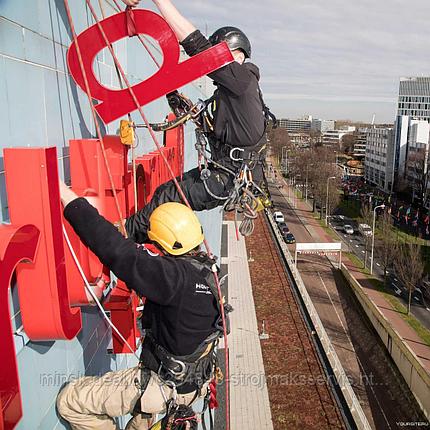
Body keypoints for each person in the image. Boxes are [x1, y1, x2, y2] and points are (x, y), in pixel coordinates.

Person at [56, 181, 229, 430]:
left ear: (162, 244)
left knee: (71, 401)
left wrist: (68, 198)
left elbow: (116, 250)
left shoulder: (172, 279)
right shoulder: (208, 272)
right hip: (189, 388)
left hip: (159, 386)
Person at [121, 0, 273, 243]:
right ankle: (143, 238)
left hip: (227, 178)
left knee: (168, 195)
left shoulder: (241, 79)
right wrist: (175, 97)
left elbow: (197, 46)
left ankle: (124, 235)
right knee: (168, 193)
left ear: (232, 53)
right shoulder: (234, 95)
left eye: (219, 54)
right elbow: (208, 124)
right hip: (228, 177)